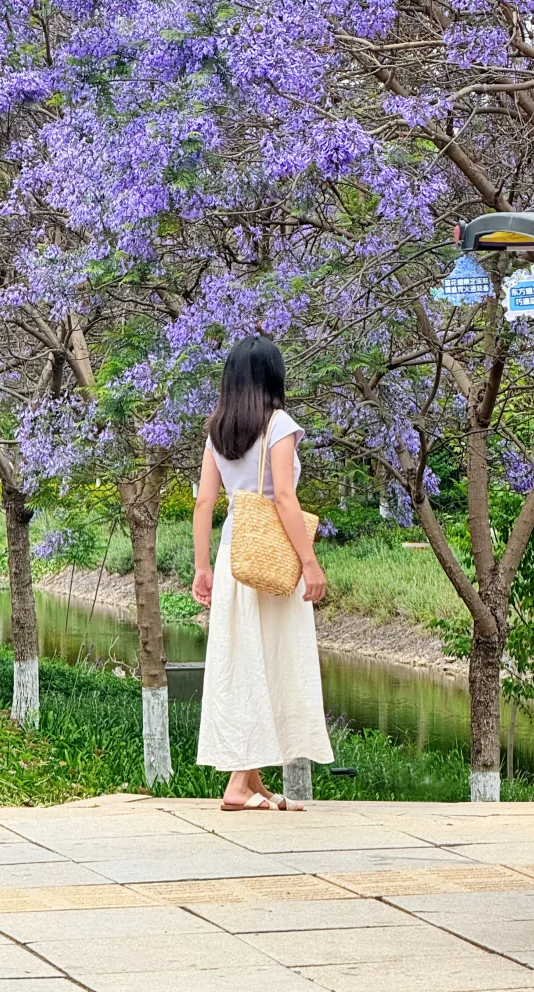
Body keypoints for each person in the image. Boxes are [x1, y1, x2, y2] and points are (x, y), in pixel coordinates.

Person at [192, 333, 332, 810]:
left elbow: (205, 502)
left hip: (235, 557)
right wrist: (309, 563)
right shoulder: (280, 425)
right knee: (271, 661)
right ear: (274, 375)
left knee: (249, 663)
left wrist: (201, 566)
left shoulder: (218, 429)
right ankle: (237, 784)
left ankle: (251, 781)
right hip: (272, 558)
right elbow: (284, 498)